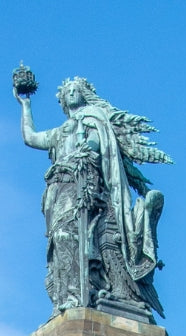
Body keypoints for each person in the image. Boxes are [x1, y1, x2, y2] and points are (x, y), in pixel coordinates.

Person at [16, 76, 169, 318]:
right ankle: (66, 296)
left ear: (85, 93)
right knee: (59, 240)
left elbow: (97, 143)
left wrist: (87, 149)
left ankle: (80, 294)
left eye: (75, 89)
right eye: (67, 91)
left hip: (83, 184)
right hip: (58, 187)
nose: (71, 93)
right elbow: (31, 137)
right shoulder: (60, 132)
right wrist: (26, 106)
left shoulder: (92, 119)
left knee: (73, 236)